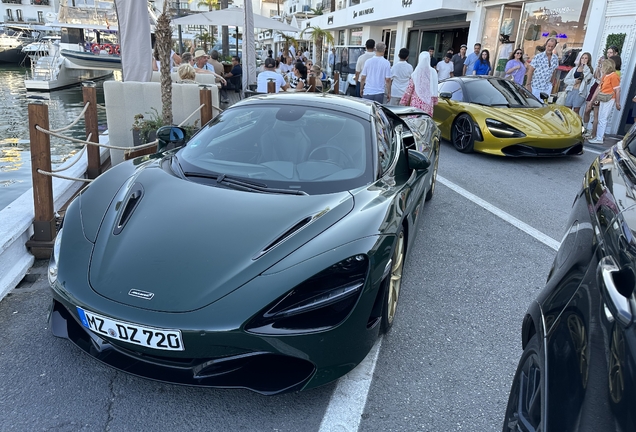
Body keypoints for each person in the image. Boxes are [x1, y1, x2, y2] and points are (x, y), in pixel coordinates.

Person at [587, 58, 621, 144]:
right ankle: (598, 137)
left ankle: (599, 138)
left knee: (603, 118)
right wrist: (592, 100)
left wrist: (617, 102)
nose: (601, 68)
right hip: (603, 98)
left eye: (602, 66)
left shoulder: (614, 76)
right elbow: (599, 88)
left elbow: (617, 90)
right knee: (601, 118)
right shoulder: (605, 76)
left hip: (609, 99)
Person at [399, 51, 439, 116]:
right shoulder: (433, 72)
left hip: (416, 103)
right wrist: (434, 100)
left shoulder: (416, 72)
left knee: (414, 122)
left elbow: (410, 88)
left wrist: (404, 101)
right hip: (428, 103)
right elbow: (435, 87)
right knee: (425, 123)